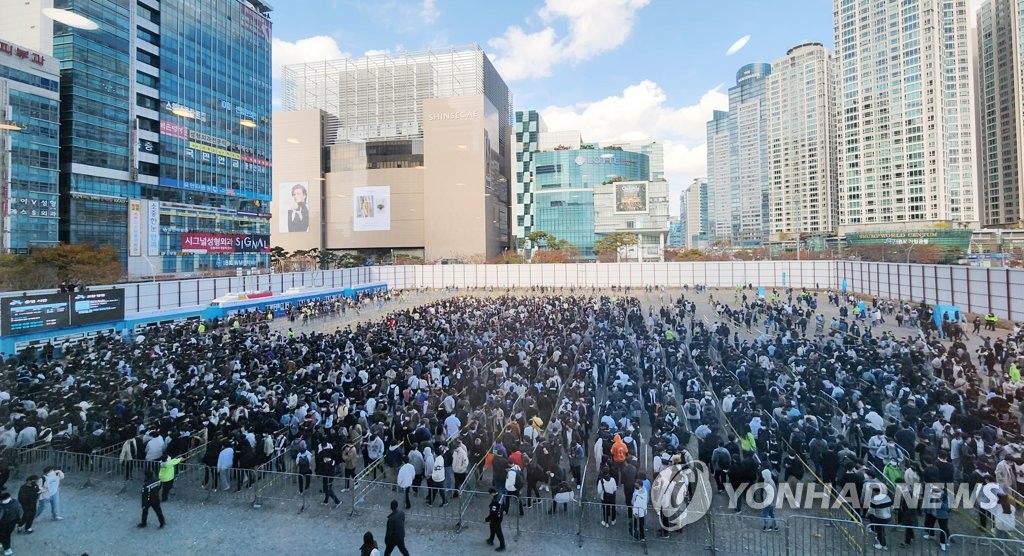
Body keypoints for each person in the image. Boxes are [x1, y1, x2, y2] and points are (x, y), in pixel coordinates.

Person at [0, 491, 22, 556]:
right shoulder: (15, 502)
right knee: (7, 535)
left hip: (3, 524)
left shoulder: (1, 507)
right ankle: (5, 546)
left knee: (4, 536)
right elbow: (19, 512)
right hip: (12, 523)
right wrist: (19, 521)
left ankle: (7, 549)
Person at [485, 487, 506, 552]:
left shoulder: (495, 502)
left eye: (490, 494)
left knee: (498, 532)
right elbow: (504, 504)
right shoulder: (501, 495)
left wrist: (487, 519)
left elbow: (493, 513)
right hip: (499, 516)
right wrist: (504, 510)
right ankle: (491, 540)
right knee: (492, 527)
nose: (490, 495)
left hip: (496, 518)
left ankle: (502, 546)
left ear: (492, 493)